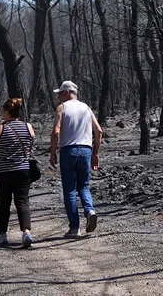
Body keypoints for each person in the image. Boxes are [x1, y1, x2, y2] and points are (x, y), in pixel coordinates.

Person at [48, 80, 103, 238]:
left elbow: (56, 132)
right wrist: (96, 153)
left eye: (60, 94)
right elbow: (98, 131)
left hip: (69, 151)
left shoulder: (62, 108)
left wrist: (53, 153)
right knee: (84, 186)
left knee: (70, 190)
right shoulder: (86, 108)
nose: (59, 97)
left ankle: (74, 228)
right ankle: (90, 210)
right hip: (86, 150)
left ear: (66, 93)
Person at [0, 97, 36, 249]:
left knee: (4, 202)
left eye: (3, 111)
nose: (2, 114)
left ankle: (2, 234)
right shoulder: (28, 127)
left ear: (7, 112)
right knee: (22, 201)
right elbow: (31, 145)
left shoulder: (0, 128)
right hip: (23, 170)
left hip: (4, 171)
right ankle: (26, 232)